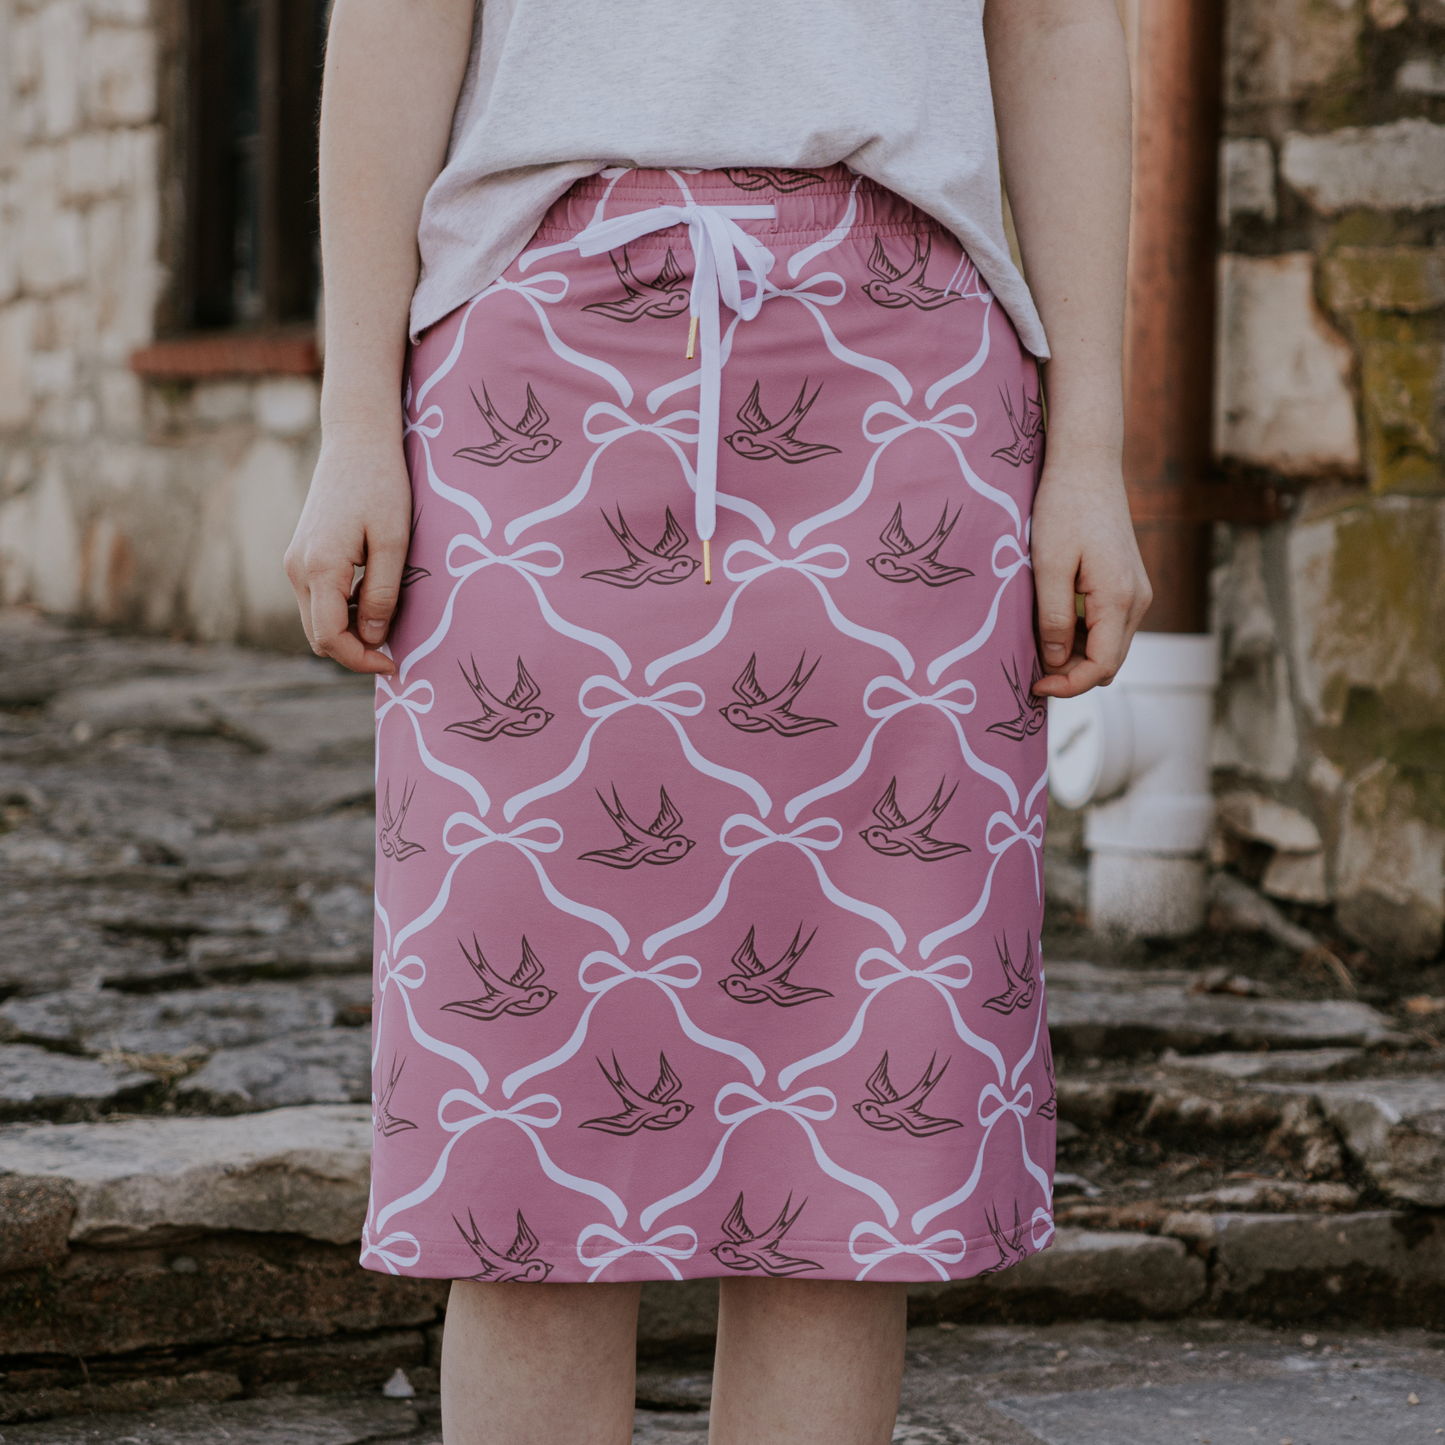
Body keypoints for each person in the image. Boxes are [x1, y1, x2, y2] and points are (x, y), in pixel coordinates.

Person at [285, 3, 1149, 1442]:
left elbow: (1058, 25)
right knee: (522, 1128)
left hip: (913, 388)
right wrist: (354, 422)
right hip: (534, 372)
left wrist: (1091, 456)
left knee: (856, 1127)